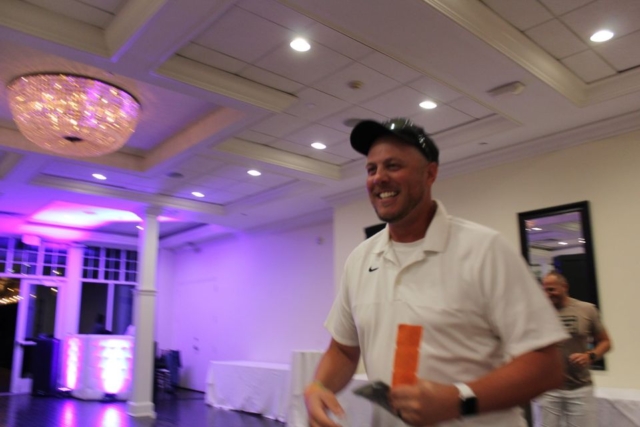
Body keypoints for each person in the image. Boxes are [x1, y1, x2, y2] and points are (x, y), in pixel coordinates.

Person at [304, 118, 569, 427]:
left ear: (430, 173)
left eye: (393, 166)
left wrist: (459, 399)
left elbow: (547, 366)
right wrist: (319, 386)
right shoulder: (360, 260)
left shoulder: (485, 250)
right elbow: (343, 349)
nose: (379, 178)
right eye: (371, 169)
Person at [537, 270, 612, 427]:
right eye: (544, 290)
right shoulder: (539, 313)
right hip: (549, 389)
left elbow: (605, 342)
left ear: (564, 287)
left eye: (551, 289)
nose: (547, 294)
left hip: (580, 388)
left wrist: (590, 356)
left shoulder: (586, 309)